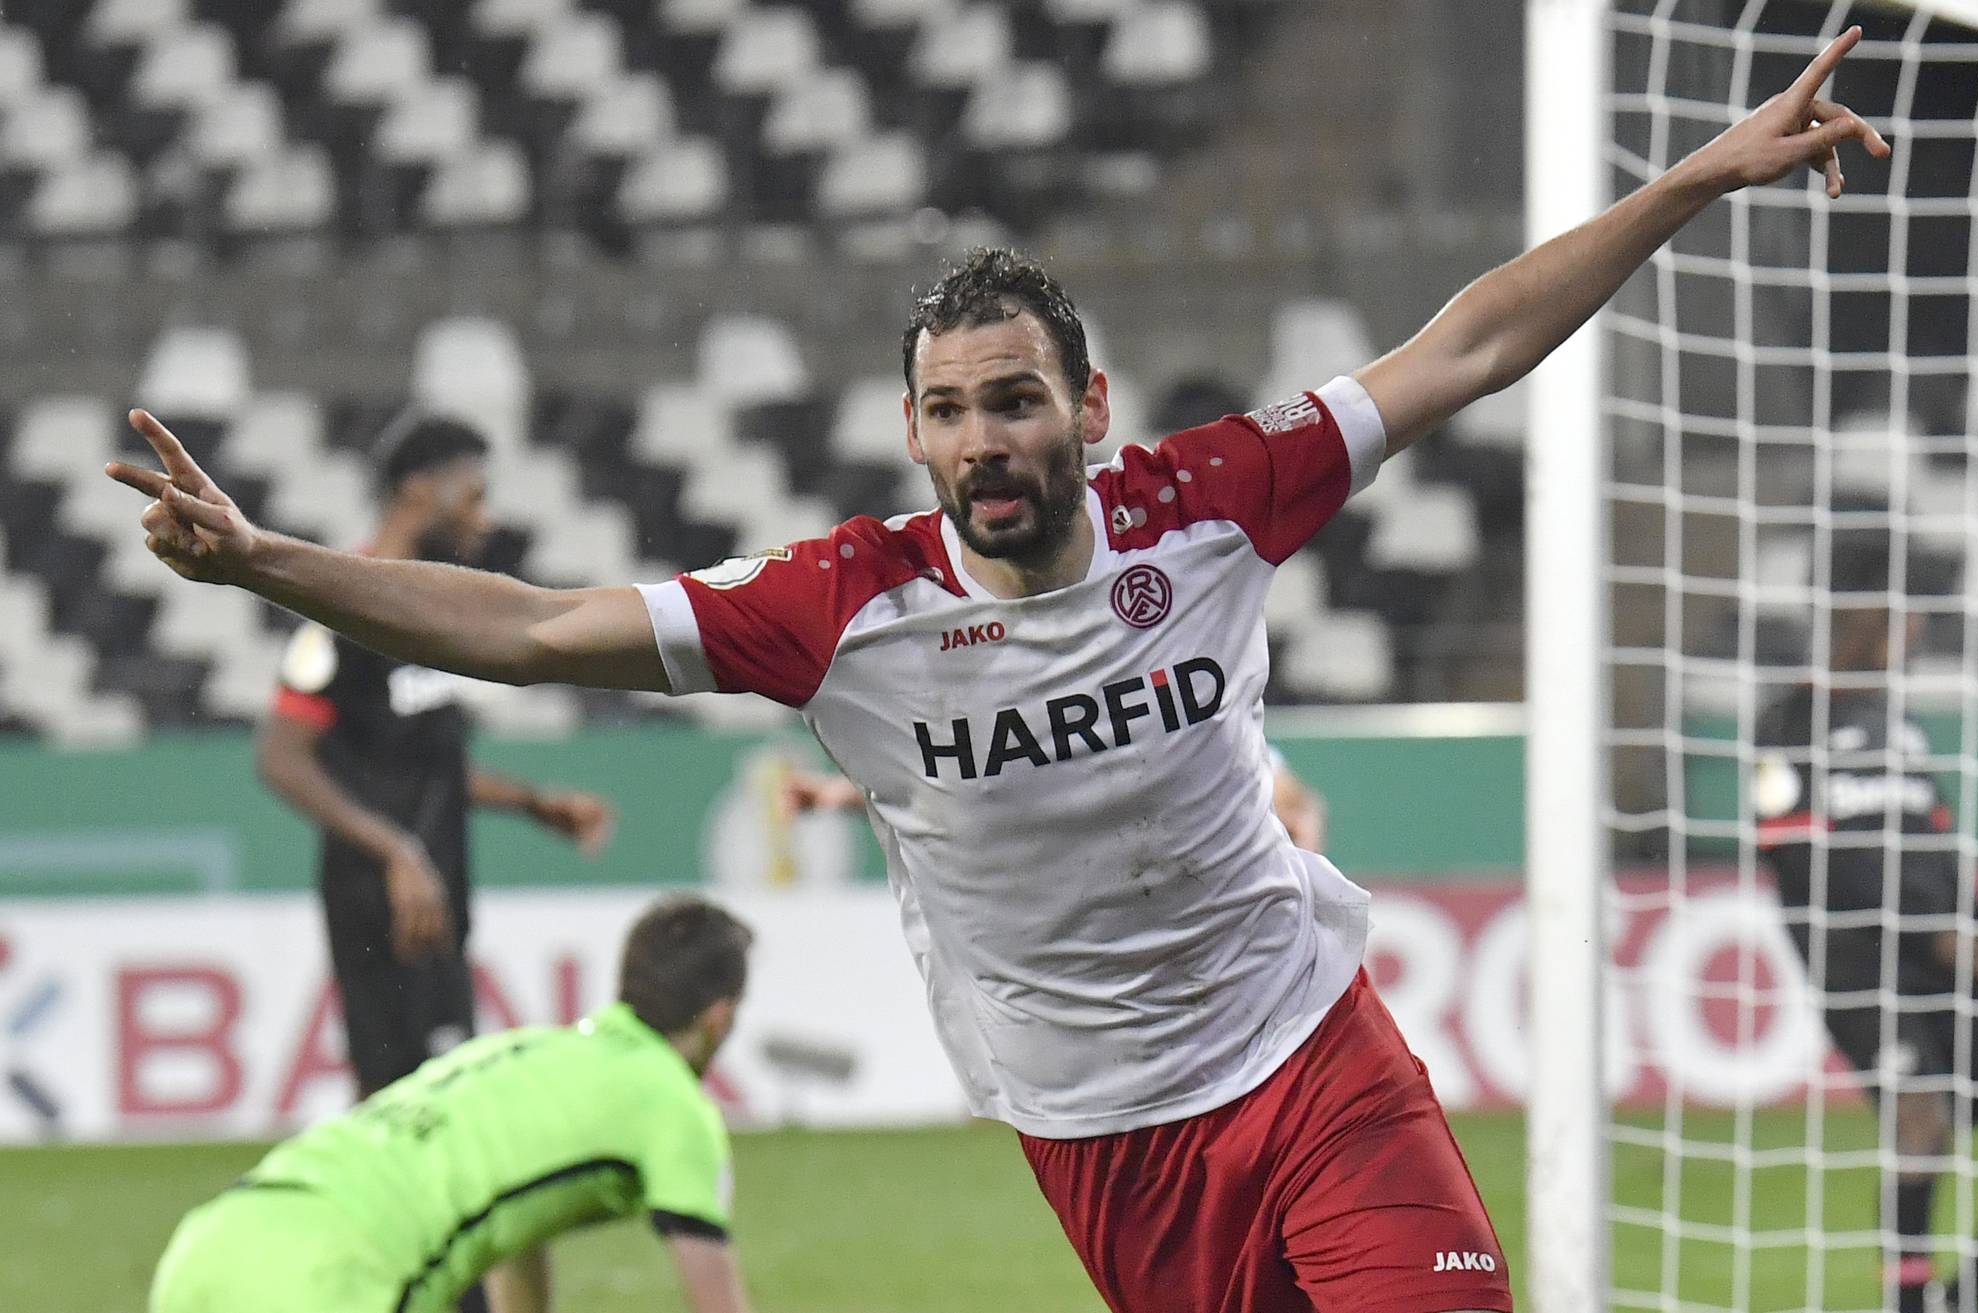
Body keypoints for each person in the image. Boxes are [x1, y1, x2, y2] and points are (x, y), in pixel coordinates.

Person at [109, 31, 1887, 1313]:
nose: (987, 439)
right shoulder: (836, 608)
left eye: (1017, 398)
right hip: (1100, 1132)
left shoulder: (1209, 499)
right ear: (913, 431)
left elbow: (1466, 345)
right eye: (951, 412)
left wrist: (1694, 178)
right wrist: (268, 560)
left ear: (1087, 410)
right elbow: (532, 622)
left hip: (1308, 1047)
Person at [1754, 539, 1978, 1313]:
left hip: (1948, 956)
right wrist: (1920, 925)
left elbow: (1943, 866)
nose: (1915, 631)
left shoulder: (1901, 728)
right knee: (1922, 1118)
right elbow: (1799, 865)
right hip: (1862, 966)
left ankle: (1963, 1296)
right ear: (1868, 618)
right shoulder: (1786, 723)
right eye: (1905, 615)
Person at [149, 894, 755, 1313]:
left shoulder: (530, 1049)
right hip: (329, 1278)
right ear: (720, 1017)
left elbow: (516, 1230)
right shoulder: (674, 1107)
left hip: (213, 1242)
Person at [256, 416, 616, 1100]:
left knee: (445, 1103)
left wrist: (533, 804)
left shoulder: (427, 614)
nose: (487, 514)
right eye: (473, 494)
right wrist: (396, 852)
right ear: (420, 492)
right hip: (382, 901)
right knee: (401, 1111)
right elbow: (281, 757)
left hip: (435, 889)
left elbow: (414, 761)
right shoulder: (336, 612)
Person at [781, 743, 1329, 852]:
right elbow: (945, 790)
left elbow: (1301, 812)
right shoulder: (1072, 749)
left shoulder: (1241, 756)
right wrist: (831, 797)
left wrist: (1303, 861)